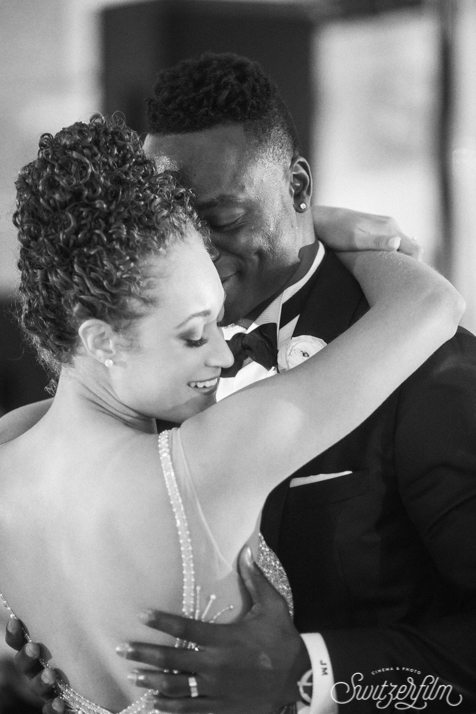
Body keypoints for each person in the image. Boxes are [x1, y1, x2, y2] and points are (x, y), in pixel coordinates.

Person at [2, 52, 474, 713]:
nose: (196, 246)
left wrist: (316, 675)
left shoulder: (429, 370)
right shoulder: (154, 375)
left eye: (221, 219)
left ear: (297, 185)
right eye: (175, 220)